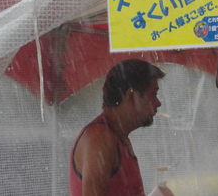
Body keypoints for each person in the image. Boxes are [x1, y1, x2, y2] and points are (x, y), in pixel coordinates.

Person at [69, 59, 172, 196]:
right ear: (131, 96)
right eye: (153, 94)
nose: (158, 103)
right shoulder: (100, 138)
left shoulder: (118, 137)